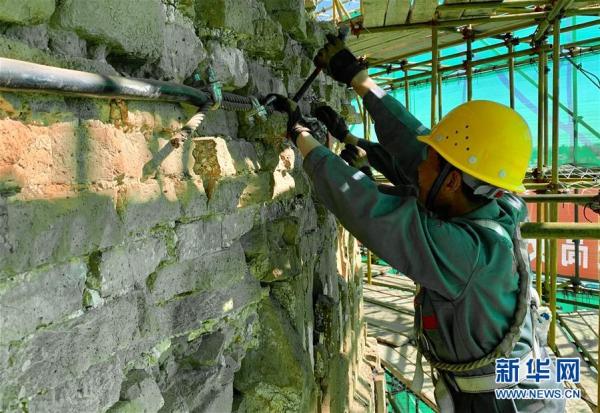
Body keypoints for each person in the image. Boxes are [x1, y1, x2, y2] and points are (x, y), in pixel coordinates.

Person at [266, 35, 566, 412]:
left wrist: (301, 137)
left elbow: (373, 212)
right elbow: (414, 149)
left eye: (430, 162)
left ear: (454, 181)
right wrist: (361, 84)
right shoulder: (488, 199)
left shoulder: (468, 253)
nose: (417, 168)